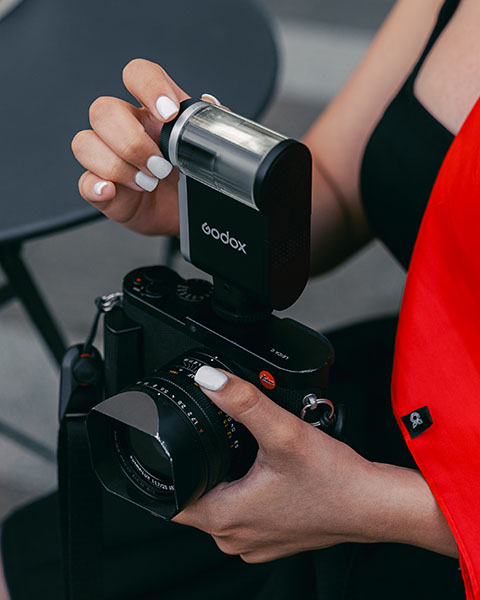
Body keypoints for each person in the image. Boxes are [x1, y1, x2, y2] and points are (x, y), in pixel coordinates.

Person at [1, 0, 476, 597]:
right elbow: (336, 184)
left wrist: (376, 508)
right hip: (412, 382)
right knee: (36, 561)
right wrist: (205, 207)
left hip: (431, 519)